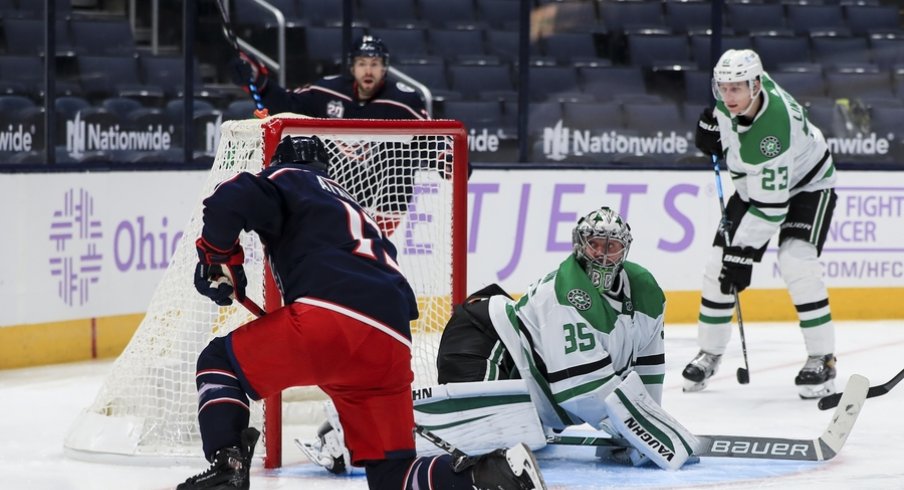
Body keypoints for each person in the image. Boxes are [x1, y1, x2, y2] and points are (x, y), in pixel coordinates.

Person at [178, 134, 546, 490]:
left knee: (219, 362)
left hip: (330, 319)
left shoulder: (287, 178)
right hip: (390, 342)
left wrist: (218, 257)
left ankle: (228, 466)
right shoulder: (350, 205)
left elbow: (228, 200)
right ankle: (498, 473)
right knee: (394, 477)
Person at [433, 207, 700, 471]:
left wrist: (642, 428)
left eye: (612, 246)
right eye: (595, 244)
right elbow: (581, 392)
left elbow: (648, 371)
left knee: (519, 446)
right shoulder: (565, 292)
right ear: (580, 245)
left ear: (625, 249)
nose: (603, 254)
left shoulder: (645, 290)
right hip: (482, 343)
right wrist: (645, 433)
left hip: (530, 384)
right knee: (480, 453)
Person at [683, 49, 838, 399]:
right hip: (756, 185)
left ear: (756, 85)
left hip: (808, 186)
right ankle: (709, 352)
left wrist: (743, 254)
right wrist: (714, 135)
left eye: (736, 88)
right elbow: (730, 130)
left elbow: (772, 209)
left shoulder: (772, 132)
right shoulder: (737, 97)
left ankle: (822, 357)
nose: (727, 96)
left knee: (796, 260)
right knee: (716, 266)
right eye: (722, 88)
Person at [232, 35, 446, 236]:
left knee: (401, 158)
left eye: (375, 64)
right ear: (352, 67)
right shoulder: (328, 90)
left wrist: (447, 158)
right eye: (362, 64)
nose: (368, 71)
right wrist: (259, 82)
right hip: (336, 184)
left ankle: (371, 239)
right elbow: (288, 105)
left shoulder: (403, 101)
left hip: (383, 190)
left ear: (385, 68)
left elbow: (431, 137)